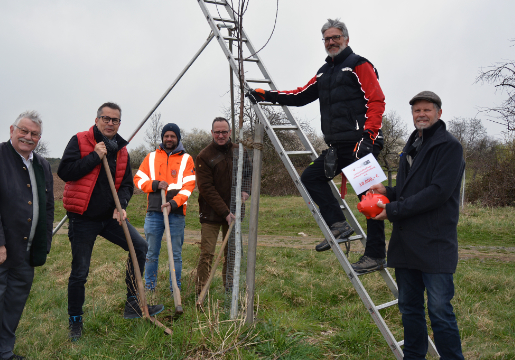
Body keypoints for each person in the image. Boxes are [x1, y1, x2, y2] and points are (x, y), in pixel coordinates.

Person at [247, 18, 386, 273]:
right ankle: (339, 225)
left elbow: (376, 101)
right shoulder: (324, 72)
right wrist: (265, 95)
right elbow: (300, 96)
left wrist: (369, 138)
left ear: (346, 38)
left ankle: (376, 255)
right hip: (336, 147)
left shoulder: (359, 65)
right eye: (326, 39)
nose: (331, 42)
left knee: (370, 200)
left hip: (360, 145)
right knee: (310, 177)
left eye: (335, 37)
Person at [369, 91, 465, 359]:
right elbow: (411, 189)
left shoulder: (449, 147)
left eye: (426, 110)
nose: (421, 114)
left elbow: (437, 192)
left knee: (439, 312)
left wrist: (393, 209)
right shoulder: (411, 145)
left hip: (435, 244)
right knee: (409, 309)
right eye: (416, 111)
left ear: (439, 113)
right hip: (405, 245)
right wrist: (388, 192)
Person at [58, 102, 163, 341]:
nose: (110, 123)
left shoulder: (122, 150)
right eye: (105, 118)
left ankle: (132, 303)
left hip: (109, 217)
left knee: (140, 247)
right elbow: (65, 172)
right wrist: (95, 156)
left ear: (119, 124)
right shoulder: (80, 140)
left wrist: (121, 206)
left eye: (114, 120)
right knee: (80, 272)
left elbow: (127, 185)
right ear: (97, 120)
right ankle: (75, 320)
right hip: (82, 218)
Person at [0, 111, 54, 360]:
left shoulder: (42, 165)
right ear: (11, 130)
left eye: (34, 134)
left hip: (25, 254)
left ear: (39, 138)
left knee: (13, 306)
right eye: (23, 131)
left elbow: (47, 207)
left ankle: (4, 352)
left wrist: (44, 242)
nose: (28, 137)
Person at [134, 123, 195, 291]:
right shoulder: (151, 157)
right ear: (162, 138)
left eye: (172, 136)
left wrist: (174, 203)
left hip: (176, 213)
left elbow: (189, 186)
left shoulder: (186, 159)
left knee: (175, 254)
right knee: (151, 252)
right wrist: (154, 184)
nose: (169, 139)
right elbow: (138, 179)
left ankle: (175, 288)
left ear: (178, 138)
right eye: (166, 136)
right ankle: (149, 287)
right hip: (154, 212)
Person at [195, 117, 250, 294]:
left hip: (235, 211)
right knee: (207, 254)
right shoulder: (204, 156)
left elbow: (248, 173)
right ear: (212, 133)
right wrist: (225, 212)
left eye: (224, 131)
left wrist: (246, 190)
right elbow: (206, 189)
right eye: (217, 132)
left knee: (232, 254)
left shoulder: (239, 151)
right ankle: (201, 291)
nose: (221, 135)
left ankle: (230, 290)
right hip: (211, 214)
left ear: (230, 132)